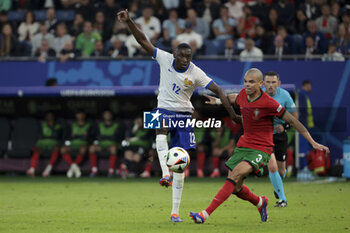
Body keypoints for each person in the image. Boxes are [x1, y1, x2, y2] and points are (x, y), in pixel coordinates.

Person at [117, 9, 240, 223]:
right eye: (181, 55)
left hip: (184, 114)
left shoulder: (196, 72)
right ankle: (165, 172)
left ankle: (175, 212)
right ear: (174, 54)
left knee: (181, 164)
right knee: (159, 125)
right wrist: (129, 22)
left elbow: (219, 90)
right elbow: (143, 40)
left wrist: (233, 113)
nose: (184, 59)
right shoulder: (164, 58)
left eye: (188, 56)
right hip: (163, 108)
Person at [189, 68, 329, 224]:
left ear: (260, 84)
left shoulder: (269, 103)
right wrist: (220, 101)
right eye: (246, 81)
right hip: (243, 145)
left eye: (251, 82)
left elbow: (293, 121)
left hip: (261, 148)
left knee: (234, 175)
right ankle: (260, 202)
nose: (247, 85)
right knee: (235, 188)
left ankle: (204, 214)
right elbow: (235, 98)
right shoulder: (243, 94)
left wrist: (313, 142)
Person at [263, 71, 298, 207]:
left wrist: (285, 126)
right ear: (263, 83)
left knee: (281, 171)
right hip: (264, 137)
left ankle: (278, 188)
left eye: (273, 82)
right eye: (268, 82)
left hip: (280, 136)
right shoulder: (257, 96)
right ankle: (283, 199)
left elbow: (294, 115)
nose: (270, 85)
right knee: (272, 166)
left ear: (279, 83)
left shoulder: (284, 95)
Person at [26, 112, 63, 177]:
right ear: (46, 117)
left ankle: (48, 169)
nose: (50, 118)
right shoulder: (42, 125)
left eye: (51, 116)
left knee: (57, 148)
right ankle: (32, 169)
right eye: (48, 116)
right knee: (36, 149)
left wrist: (52, 127)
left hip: (53, 144)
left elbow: (57, 136)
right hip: (42, 145)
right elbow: (39, 136)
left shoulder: (58, 126)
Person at [89, 109, 123, 177]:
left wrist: (104, 137)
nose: (107, 116)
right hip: (101, 145)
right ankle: (94, 170)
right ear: (103, 115)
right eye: (106, 114)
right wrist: (107, 137)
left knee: (113, 148)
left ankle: (111, 171)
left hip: (112, 145)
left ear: (111, 115)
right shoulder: (99, 125)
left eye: (109, 114)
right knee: (92, 148)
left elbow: (116, 137)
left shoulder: (117, 125)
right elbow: (97, 137)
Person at [61, 110, 94, 178]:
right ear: (76, 115)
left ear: (84, 115)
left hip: (83, 144)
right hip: (73, 144)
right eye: (78, 114)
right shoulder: (72, 125)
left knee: (83, 149)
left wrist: (77, 136)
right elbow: (68, 136)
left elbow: (90, 137)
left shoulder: (89, 125)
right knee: (63, 149)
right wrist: (81, 136)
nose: (80, 116)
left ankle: (73, 168)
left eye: (82, 114)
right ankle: (74, 166)